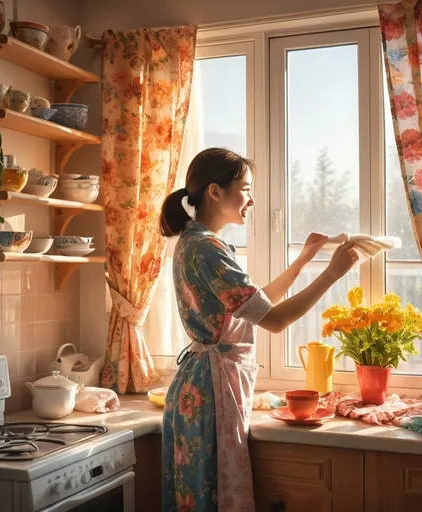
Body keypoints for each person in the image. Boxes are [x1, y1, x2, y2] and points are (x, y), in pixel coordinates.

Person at [159, 147, 358, 512]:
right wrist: (332, 274)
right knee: (215, 497)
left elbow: (257, 304)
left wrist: (303, 260)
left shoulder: (199, 241)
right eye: (245, 189)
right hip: (210, 391)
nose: (250, 199)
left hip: (203, 386)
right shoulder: (208, 249)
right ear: (215, 191)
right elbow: (275, 321)